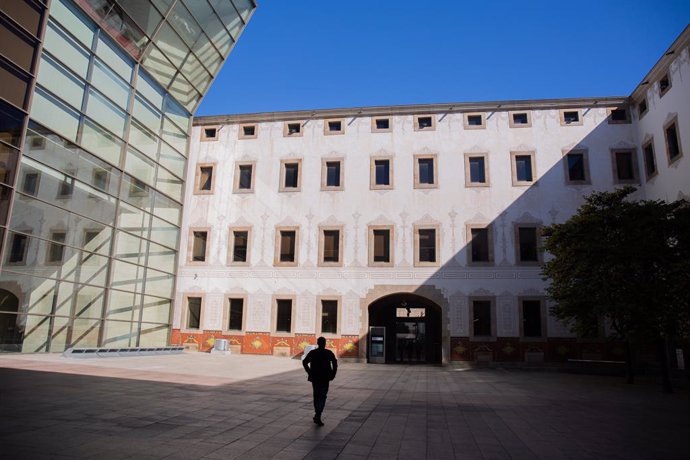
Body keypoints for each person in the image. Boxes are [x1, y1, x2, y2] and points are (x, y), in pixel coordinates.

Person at [302, 337, 337, 426]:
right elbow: (335, 363)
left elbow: (305, 362)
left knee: (316, 395)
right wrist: (333, 374)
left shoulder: (313, 353)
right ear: (325, 343)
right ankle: (318, 414)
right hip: (325, 378)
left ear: (318, 343)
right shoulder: (328, 353)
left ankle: (317, 414)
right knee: (323, 395)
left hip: (315, 378)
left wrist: (309, 372)